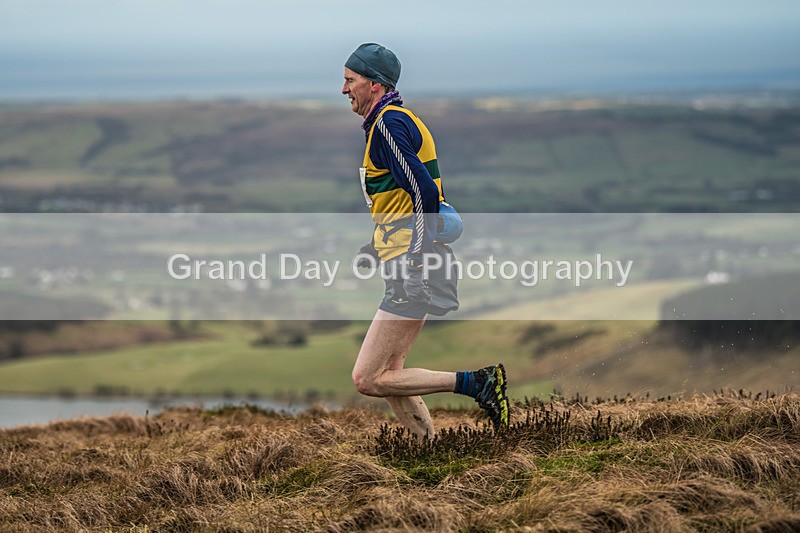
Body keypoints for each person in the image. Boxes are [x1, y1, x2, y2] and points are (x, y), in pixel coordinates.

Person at [342, 43, 509, 439]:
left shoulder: (387, 124)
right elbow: (403, 199)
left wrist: (414, 258)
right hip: (406, 257)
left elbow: (423, 192)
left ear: (374, 84)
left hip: (412, 263)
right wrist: (378, 246)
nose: (344, 89)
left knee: (367, 378)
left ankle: (477, 383)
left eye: (350, 81)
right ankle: (428, 450)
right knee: (391, 374)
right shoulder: (394, 121)